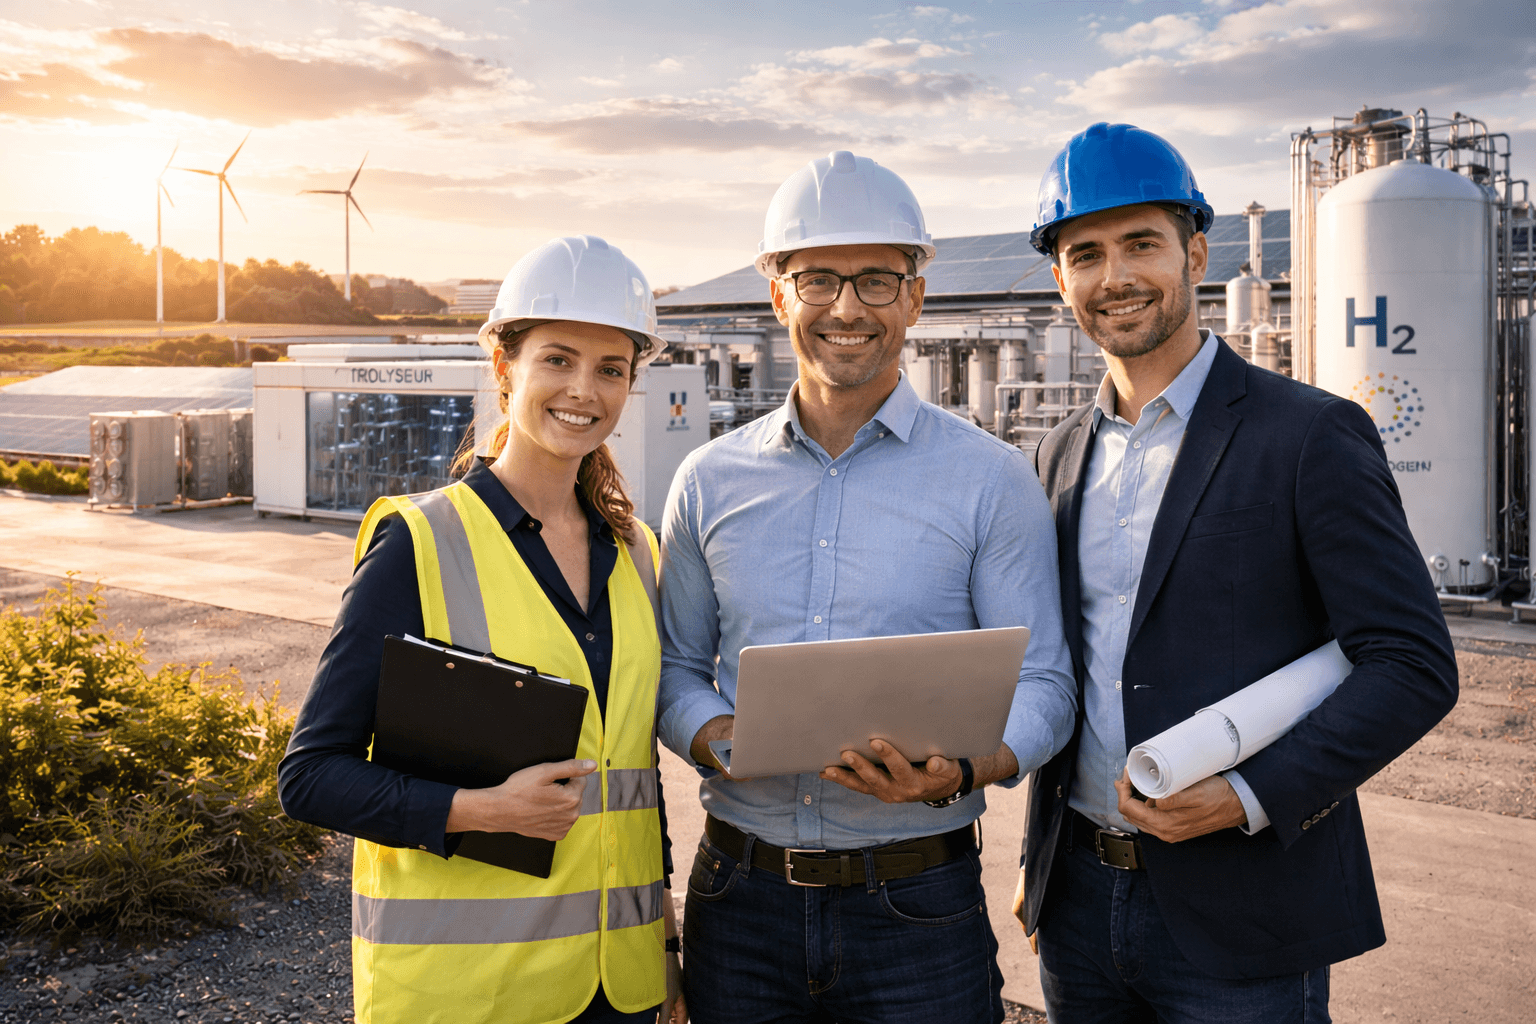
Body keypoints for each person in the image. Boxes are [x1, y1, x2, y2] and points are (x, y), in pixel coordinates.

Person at [1014, 122, 1459, 1022]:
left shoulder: (1307, 435)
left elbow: (1412, 664)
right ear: (1061, 278)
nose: (1116, 277)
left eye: (1142, 244)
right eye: (1085, 253)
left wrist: (1250, 795)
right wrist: (1042, 859)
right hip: (1079, 909)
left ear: (1197, 254)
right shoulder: (1054, 456)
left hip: (1244, 913)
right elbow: (1073, 667)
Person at [656, 150, 1078, 1024]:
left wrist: (963, 769)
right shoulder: (706, 480)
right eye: (817, 278)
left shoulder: (991, 482)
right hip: (740, 903)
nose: (846, 307)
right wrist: (718, 734)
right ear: (778, 295)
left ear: (915, 298)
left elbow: (1046, 687)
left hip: (917, 911)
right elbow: (672, 666)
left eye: (877, 281)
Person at [278, 235, 686, 1024]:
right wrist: (478, 810)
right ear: (504, 369)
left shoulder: (637, 554)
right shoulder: (420, 543)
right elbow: (311, 777)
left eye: (611, 369)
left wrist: (664, 947)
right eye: (558, 360)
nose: (584, 390)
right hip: (474, 996)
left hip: (623, 983)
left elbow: (630, 774)